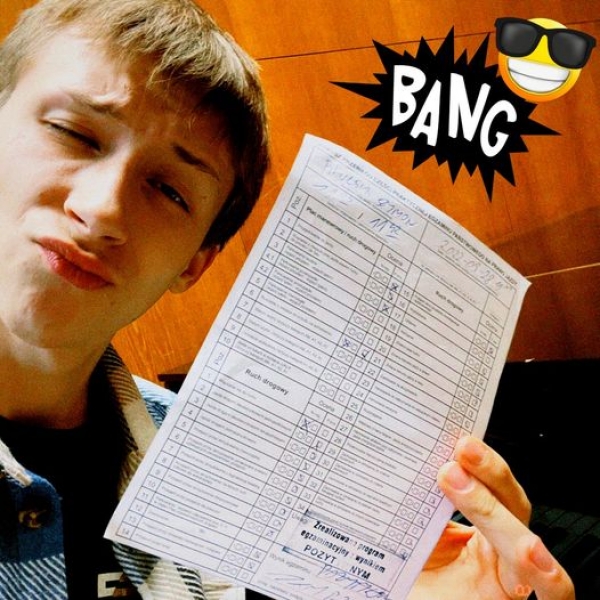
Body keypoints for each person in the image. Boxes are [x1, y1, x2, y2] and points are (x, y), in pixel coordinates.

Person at [0, 0, 575, 599]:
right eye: (73, 133)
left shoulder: (212, 464)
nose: (101, 210)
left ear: (196, 261)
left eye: (169, 191)